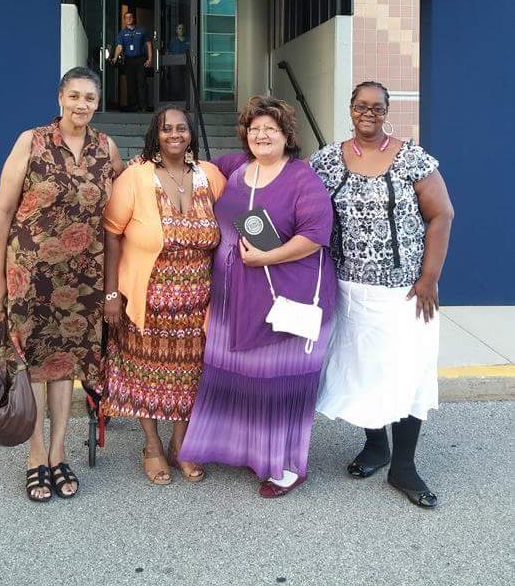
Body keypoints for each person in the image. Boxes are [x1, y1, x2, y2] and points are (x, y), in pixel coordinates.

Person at [179, 95, 336, 498]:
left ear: (286, 135)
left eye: (270, 128)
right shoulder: (234, 168)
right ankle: (238, 450)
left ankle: (285, 465)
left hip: (288, 295)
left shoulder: (302, 178)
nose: (261, 135)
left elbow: (315, 236)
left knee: (276, 382)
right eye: (254, 129)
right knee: (234, 374)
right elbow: (183, 164)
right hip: (234, 298)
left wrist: (269, 255)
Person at [310, 81, 454, 509]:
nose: (368, 112)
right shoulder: (327, 161)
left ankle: (404, 466)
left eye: (377, 106)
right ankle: (376, 446)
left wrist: (429, 278)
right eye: (361, 105)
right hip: (349, 290)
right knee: (363, 370)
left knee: (407, 371)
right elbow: (300, 207)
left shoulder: (412, 158)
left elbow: (442, 214)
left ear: (387, 111)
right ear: (350, 109)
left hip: (406, 291)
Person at [0, 67, 124, 502]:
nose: (82, 105)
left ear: (97, 104)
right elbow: (3, 212)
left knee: (67, 370)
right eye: (75, 96)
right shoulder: (32, 141)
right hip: (31, 275)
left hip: (83, 278)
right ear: (60, 97)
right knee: (34, 369)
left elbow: (122, 206)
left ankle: (59, 452)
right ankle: (36, 456)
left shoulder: (107, 149)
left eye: (90, 98)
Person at [101, 105, 226, 485]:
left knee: (190, 376)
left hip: (198, 302)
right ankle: (152, 445)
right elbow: (111, 232)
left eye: (182, 128)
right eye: (166, 128)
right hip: (147, 298)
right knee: (146, 373)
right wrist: (111, 294)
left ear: (190, 134)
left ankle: (180, 444)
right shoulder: (136, 177)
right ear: (156, 133)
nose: (175, 134)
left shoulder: (211, 176)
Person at [111, 11, 152, 112]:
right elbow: (119, 47)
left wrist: (150, 59)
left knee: (142, 82)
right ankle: (135, 105)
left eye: (130, 17)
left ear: (134, 19)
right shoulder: (122, 33)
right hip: (129, 60)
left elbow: (149, 45)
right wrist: (115, 58)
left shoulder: (142, 30)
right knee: (131, 83)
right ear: (124, 20)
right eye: (126, 18)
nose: (129, 19)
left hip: (140, 59)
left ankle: (144, 106)